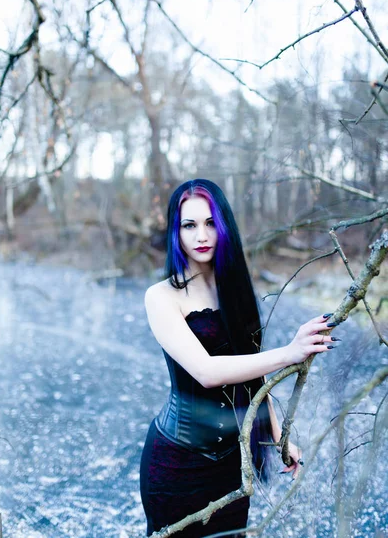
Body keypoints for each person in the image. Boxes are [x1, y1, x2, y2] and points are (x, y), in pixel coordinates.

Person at [140, 179, 335, 538]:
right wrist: (291, 352)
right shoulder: (162, 297)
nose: (202, 234)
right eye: (190, 225)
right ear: (175, 231)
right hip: (176, 465)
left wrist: (280, 439)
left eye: (211, 222)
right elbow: (207, 372)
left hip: (232, 464)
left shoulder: (235, 289)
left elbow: (252, 375)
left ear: (224, 225)